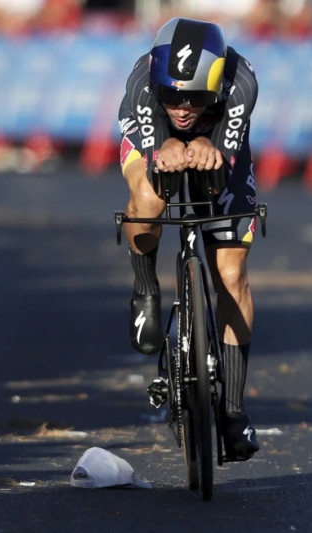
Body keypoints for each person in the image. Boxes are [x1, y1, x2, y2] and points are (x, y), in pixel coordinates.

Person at [117, 17, 260, 461]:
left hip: (220, 141)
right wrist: (168, 144)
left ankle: (233, 411)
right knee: (149, 195)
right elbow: (158, 143)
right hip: (150, 137)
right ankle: (145, 287)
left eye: (195, 97)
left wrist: (207, 142)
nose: (182, 106)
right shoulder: (144, 82)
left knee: (231, 274)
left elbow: (224, 150)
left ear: (214, 87)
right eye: (173, 94)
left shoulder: (241, 85)